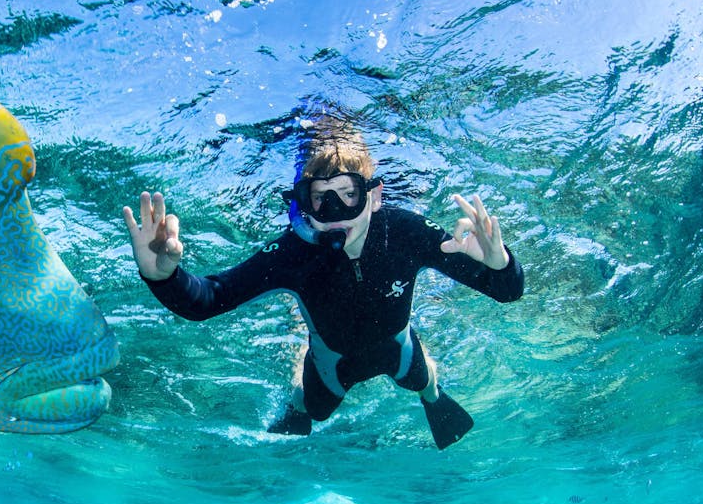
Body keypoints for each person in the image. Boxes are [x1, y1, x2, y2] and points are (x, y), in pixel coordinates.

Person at [122, 119, 524, 449]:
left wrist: (499, 263)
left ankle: (433, 400)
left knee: (422, 380)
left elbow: (508, 292)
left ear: (375, 196)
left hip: (397, 347)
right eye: (320, 199)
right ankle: (299, 396)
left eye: (347, 196)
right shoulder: (294, 253)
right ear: (303, 204)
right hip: (331, 363)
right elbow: (208, 300)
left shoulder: (406, 233)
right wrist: (164, 277)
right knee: (313, 409)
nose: (335, 214)